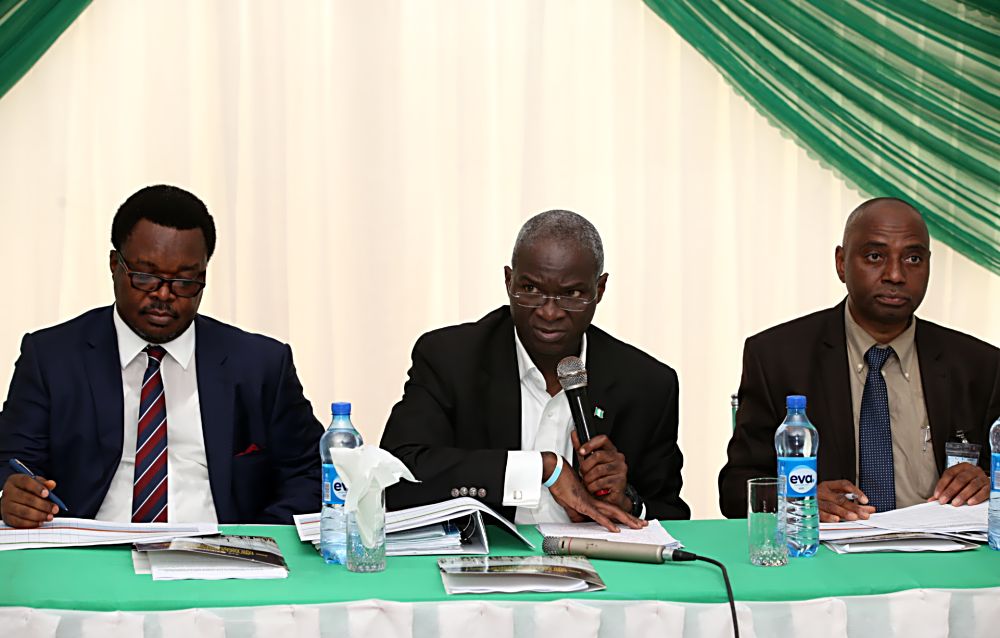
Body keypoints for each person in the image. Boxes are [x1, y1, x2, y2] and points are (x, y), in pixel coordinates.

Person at [0, 185, 323, 527]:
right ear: (115, 265)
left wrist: (256, 540)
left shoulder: (260, 365)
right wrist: (13, 496)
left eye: (185, 281)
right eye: (145, 277)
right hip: (89, 553)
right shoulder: (52, 357)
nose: (164, 295)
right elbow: (12, 463)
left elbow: (309, 473)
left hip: (221, 561)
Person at [381, 210, 689, 530]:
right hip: (485, 564)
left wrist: (625, 500)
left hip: (605, 567)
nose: (549, 311)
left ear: (599, 289)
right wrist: (543, 468)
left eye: (571, 294)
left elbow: (672, 513)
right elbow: (396, 475)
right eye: (530, 289)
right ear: (508, 281)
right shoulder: (451, 358)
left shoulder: (647, 384)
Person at [719, 197, 1000, 521]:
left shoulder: (978, 365)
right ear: (841, 263)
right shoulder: (777, 358)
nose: (895, 274)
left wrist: (989, 483)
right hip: (826, 561)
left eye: (913, 258)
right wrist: (796, 499)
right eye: (875, 256)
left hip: (943, 562)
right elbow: (735, 490)